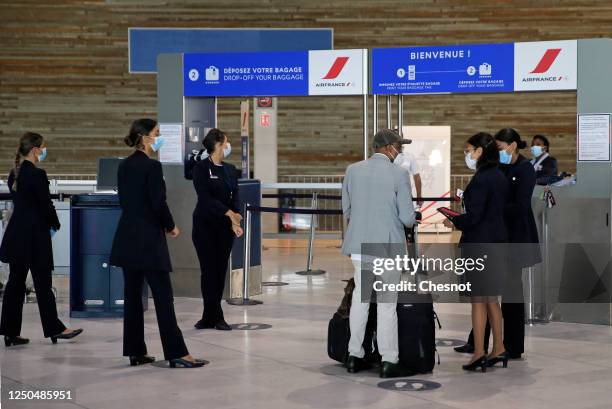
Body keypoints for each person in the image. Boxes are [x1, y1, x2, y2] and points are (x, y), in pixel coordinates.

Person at [110, 118, 204, 368]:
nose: (159, 137)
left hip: (127, 238)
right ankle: (177, 353)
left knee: (132, 298)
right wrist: (171, 226)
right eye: (156, 133)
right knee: (163, 298)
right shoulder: (151, 167)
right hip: (149, 240)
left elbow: (125, 201)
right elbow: (158, 202)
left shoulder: (124, 166)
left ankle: (135, 351)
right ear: (144, 137)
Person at [454, 128, 540, 361]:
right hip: (495, 237)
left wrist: (491, 211)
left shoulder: (524, 169)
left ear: (512, 146)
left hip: (515, 239)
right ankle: (479, 342)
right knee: (487, 293)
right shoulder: (498, 169)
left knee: (511, 292)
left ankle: (512, 345)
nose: (498, 151)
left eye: (501, 147)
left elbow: (520, 206)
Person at [342, 129, 416, 378]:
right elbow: (407, 218)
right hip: (387, 247)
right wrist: (412, 217)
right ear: (387, 147)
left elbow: (347, 208)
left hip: (360, 247)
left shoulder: (353, 170)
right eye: (398, 145)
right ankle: (389, 360)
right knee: (386, 305)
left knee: (360, 301)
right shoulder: (399, 174)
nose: (400, 150)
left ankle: (354, 355)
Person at [0, 132, 83, 346]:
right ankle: (55, 329)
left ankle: (10, 332)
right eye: (43, 147)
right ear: (36, 149)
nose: (44, 151)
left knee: (15, 285)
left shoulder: (14, 174)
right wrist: (56, 223)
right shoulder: (37, 175)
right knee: (43, 285)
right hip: (36, 238)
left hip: (17, 236)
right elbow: (46, 205)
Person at [443, 132, 509, 371]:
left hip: (479, 245)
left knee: (478, 300)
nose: (467, 154)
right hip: (496, 244)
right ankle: (499, 348)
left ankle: (479, 352)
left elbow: (475, 217)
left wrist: (455, 221)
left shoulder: (482, 179)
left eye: (469, 150)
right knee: (492, 300)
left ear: (480, 150)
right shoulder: (499, 175)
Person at [192, 128, 243, 331]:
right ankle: (213, 315)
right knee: (208, 271)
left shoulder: (230, 169)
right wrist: (229, 213)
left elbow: (235, 196)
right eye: (226, 142)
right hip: (204, 226)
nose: (228, 146)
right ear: (218, 145)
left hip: (224, 229)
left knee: (220, 271)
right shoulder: (201, 168)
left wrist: (235, 219)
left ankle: (211, 315)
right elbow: (205, 199)